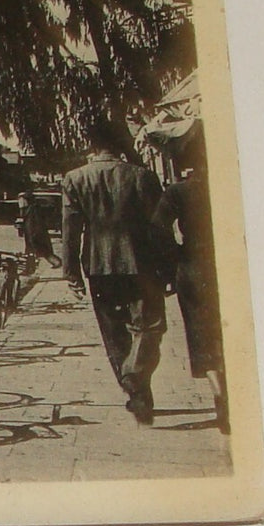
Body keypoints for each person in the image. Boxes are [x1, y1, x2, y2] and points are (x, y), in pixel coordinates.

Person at [62, 119, 171, 425]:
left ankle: (134, 388)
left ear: (92, 145)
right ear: (119, 144)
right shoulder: (142, 176)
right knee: (149, 326)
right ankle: (136, 379)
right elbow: (159, 226)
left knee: (113, 331)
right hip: (142, 264)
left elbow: (70, 230)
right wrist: (169, 265)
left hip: (98, 265)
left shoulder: (75, 179)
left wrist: (71, 271)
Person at [152, 130, 227, 433]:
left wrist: (173, 263)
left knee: (202, 335)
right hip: (232, 262)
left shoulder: (179, 191)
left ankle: (221, 396)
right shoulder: (233, 183)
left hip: (195, 267)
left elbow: (157, 228)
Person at [18, 192, 61, 270]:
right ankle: (30, 268)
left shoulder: (32, 210)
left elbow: (35, 225)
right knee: (38, 252)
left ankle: (56, 262)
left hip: (36, 235)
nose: (20, 204)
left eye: (21, 201)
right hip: (33, 235)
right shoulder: (30, 209)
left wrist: (33, 236)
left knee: (42, 252)